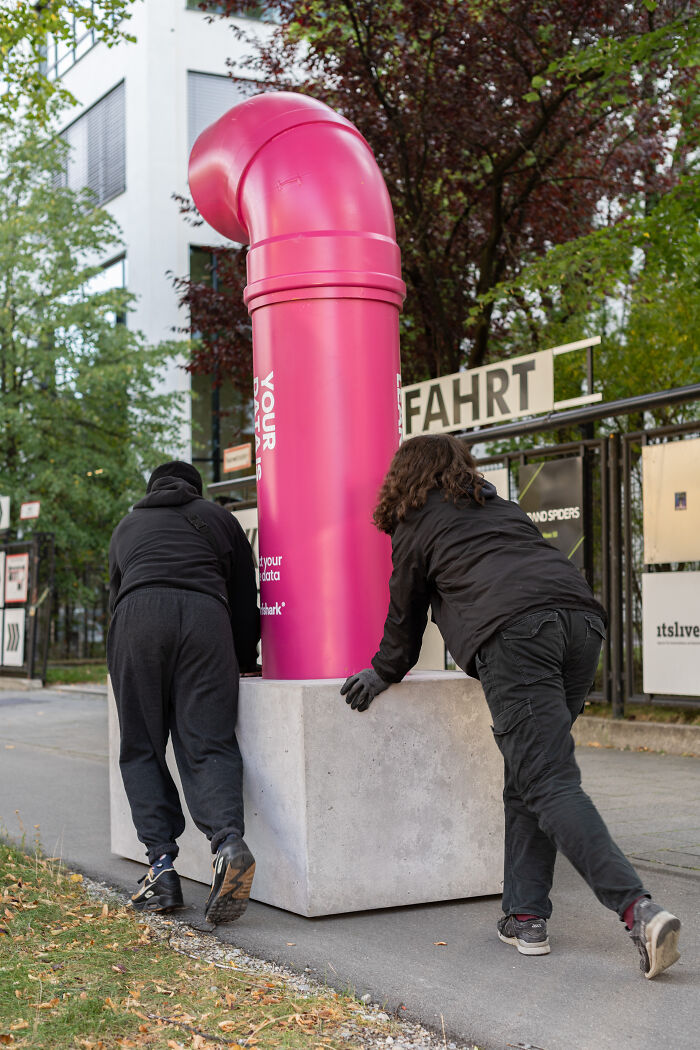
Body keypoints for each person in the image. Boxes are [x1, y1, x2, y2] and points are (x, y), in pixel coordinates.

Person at [340, 434, 681, 979]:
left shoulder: (416, 524)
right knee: (530, 774)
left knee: (548, 781)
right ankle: (526, 916)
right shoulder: (499, 507)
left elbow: (404, 619)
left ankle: (638, 909)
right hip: (581, 623)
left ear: (404, 475)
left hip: (517, 634)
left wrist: (381, 673)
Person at [108, 461, 260, 924]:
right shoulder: (220, 519)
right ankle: (228, 842)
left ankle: (160, 868)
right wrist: (242, 661)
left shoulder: (127, 526)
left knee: (142, 747)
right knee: (208, 741)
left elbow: (114, 596)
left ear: (152, 488)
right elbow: (243, 601)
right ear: (197, 490)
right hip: (204, 617)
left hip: (137, 616)